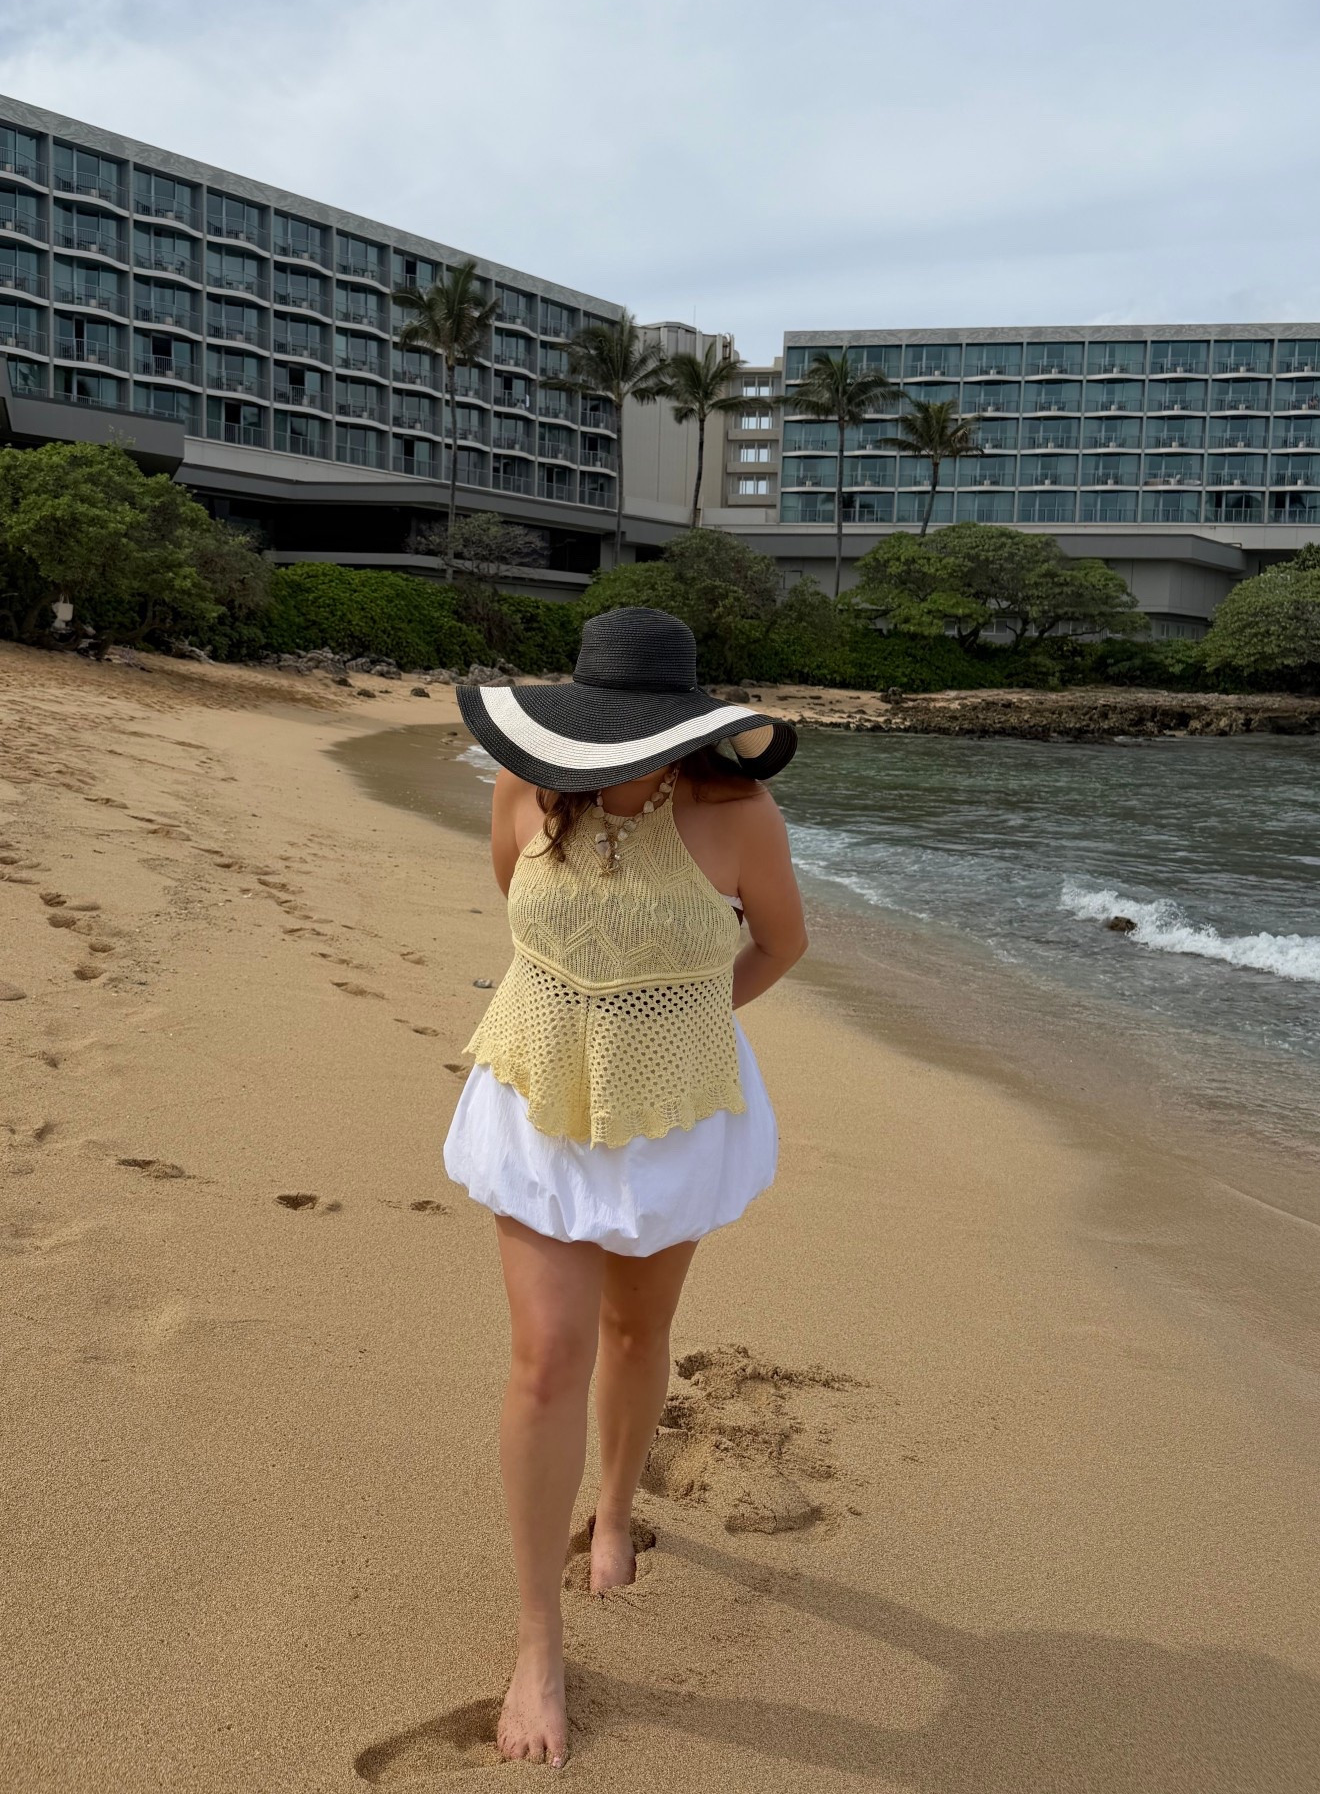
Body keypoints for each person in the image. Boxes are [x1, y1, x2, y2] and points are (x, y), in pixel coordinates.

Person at [445, 607, 808, 1769]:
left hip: (675, 1103)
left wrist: (678, 1024)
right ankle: (537, 1639)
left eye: (641, 735)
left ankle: (614, 1508)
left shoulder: (739, 815)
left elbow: (782, 944)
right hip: (540, 1083)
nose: (618, 753)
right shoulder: (522, 790)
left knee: (636, 1328)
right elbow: (522, 916)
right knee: (548, 1352)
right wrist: (595, 1017)